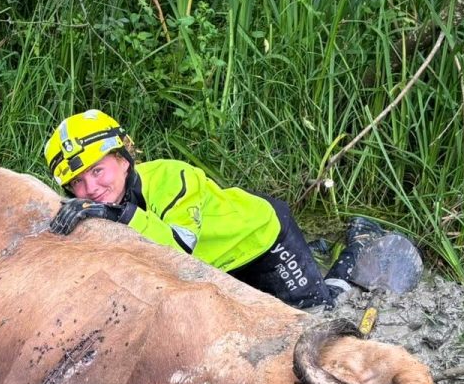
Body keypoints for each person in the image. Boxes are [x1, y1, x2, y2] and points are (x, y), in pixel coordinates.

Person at [44, 110, 350, 309]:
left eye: (97, 171)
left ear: (123, 159)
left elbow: (180, 251)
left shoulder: (173, 176)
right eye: (77, 183)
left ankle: (350, 259)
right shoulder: (98, 203)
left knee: (315, 317)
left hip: (260, 242)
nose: (91, 190)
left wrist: (120, 216)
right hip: (214, 268)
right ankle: (320, 253)